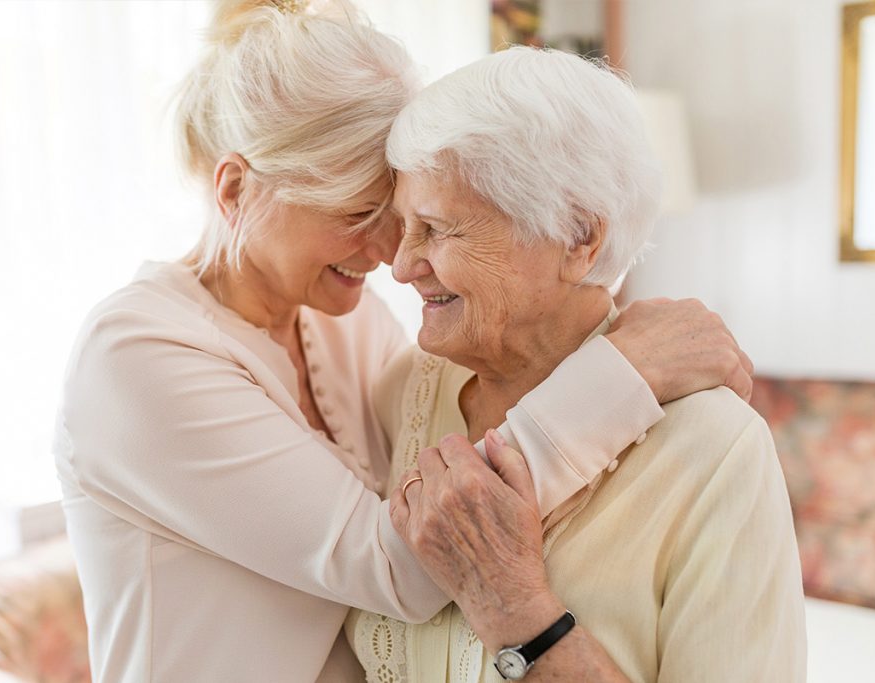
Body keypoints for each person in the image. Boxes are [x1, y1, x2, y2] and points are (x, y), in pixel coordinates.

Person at [53, 2, 755, 681]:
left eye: (403, 214)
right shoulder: (137, 359)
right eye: (358, 213)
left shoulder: (340, 319)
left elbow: (440, 445)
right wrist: (622, 373)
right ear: (235, 190)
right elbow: (404, 562)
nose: (391, 254)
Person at [348, 46, 807, 682]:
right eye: (404, 226)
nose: (401, 266)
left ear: (576, 237)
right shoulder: (403, 392)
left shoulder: (716, 450)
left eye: (438, 228)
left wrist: (515, 610)